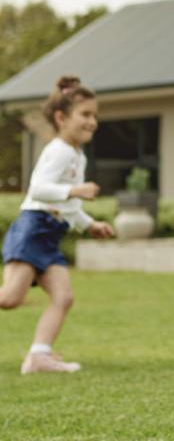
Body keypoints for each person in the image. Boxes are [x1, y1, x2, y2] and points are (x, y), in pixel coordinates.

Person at [0, 76, 115, 374]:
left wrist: (90, 224)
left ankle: (39, 356)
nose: (93, 122)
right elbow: (38, 189)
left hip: (50, 234)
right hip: (33, 228)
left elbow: (68, 207)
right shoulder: (58, 150)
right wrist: (75, 191)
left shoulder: (77, 154)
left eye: (95, 115)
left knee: (63, 297)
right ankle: (39, 356)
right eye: (86, 114)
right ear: (61, 117)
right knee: (10, 298)